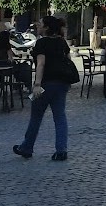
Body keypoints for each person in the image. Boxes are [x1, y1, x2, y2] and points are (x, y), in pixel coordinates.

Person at [13, 15, 73, 161]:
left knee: (36, 117)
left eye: (40, 24)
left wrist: (37, 84)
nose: (37, 25)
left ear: (46, 27)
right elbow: (69, 61)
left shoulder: (41, 43)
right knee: (60, 117)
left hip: (46, 83)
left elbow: (41, 64)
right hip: (62, 83)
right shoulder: (61, 42)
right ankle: (61, 150)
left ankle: (27, 147)